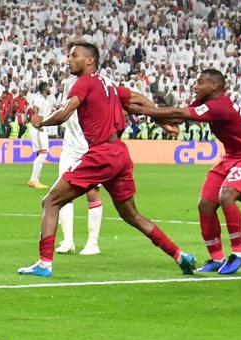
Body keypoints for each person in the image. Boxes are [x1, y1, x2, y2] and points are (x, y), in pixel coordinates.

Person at [17, 42, 196, 277]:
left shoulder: (84, 82)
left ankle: (44, 263)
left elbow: (64, 114)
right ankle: (180, 255)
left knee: (50, 202)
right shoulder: (110, 85)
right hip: (119, 154)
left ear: (89, 61)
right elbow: (138, 99)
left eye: (74, 55)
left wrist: (42, 122)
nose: (68, 59)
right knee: (132, 215)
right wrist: (160, 120)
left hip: (100, 153)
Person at [130, 69, 241, 275]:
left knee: (226, 197)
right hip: (230, 157)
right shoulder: (208, 103)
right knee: (205, 205)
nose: (195, 85)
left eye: (200, 82)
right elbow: (177, 117)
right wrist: (147, 110)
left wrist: (142, 110)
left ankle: (239, 253)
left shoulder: (220, 106)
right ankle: (216, 257)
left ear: (214, 86)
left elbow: (178, 114)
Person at [54, 75, 104, 256]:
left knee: (92, 193)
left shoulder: (99, 83)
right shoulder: (68, 82)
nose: (70, 59)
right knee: (63, 193)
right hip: (69, 147)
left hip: (89, 147)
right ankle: (68, 240)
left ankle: (93, 242)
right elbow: (64, 111)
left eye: (74, 56)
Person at [27, 81, 51, 189]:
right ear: (44, 89)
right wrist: (36, 123)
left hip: (42, 127)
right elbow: (35, 109)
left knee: (41, 153)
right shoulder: (39, 98)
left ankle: (35, 179)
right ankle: (33, 180)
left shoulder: (46, 100)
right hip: (38, 128)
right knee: (43, 153)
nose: (50, 88)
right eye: (48, 87)